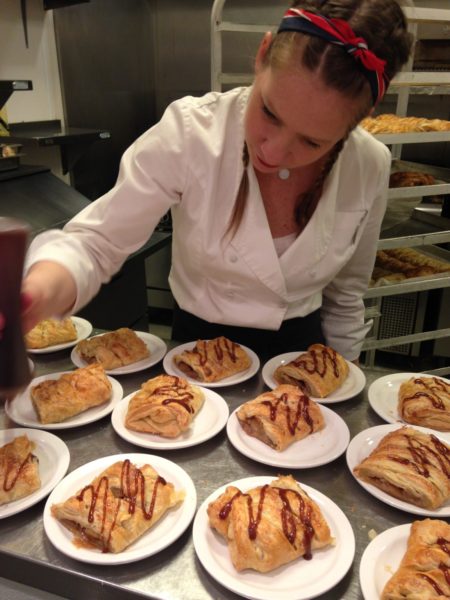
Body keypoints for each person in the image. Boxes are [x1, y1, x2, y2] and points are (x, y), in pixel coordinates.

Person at [19, 0, 412, 362]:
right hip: (197, 354)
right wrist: (41, 287)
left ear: (362, 117)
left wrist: (342, 388)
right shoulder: (192, 132)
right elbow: (97, 243)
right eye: (270, 112)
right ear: (261, 55)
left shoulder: (369, 166)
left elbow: (345, 300)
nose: (273, 153)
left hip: (302, 362)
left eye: (313, 142)